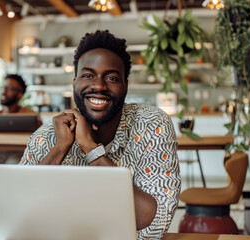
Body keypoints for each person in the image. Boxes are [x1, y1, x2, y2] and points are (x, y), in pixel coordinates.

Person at [20, 30, 180, 239]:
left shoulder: (152, 124)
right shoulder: (47, 136)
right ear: (74, 82)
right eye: (88, 75)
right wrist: (60, 149)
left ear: (126, 86)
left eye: (112, 77)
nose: (98, 86)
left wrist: (91, 150)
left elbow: (155, 220)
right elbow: (20, 213)